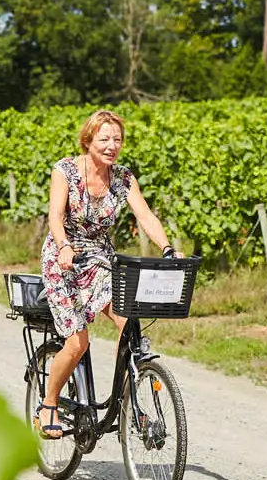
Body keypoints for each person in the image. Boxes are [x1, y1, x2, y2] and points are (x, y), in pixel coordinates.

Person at [34, 108, 174, 439]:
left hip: (100, 258)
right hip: (63, 257)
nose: (112, 145)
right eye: (105, 138)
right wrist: (65, 246)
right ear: (88, 140)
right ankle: (48, 404)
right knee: (77, 342)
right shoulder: (65, 170)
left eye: (117, 139)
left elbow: (146, 216)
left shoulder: (124, 178)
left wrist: (167, 248)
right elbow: (55, 216)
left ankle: (128, 404)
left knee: (131, 325)